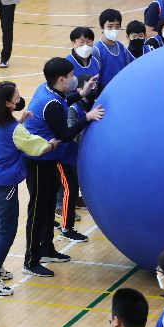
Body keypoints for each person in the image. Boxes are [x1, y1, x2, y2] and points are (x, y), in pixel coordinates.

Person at [23, 58, 103, 277]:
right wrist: (87, 117)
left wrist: (82, 93)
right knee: (38, 210)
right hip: (38, 162)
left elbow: (64, 101)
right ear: (61, 79)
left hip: (49, 159)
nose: (73, 78)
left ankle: (47, 248)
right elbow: (65, 134)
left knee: (49, 206)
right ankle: (30, 260)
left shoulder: (48, 89)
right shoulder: (51, 104)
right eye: (70, 76)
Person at [0, 81, 59, 295]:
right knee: (7, 230)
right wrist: (51, 144)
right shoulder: (14, 130)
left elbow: (6, 138)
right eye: (16, 96)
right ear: (7, 103)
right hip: (5, 185)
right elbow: (34, 146)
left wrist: (20, 121)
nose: (19, 99)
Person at [58, 76, 103, 242]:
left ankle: (62, 221)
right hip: (63, 157)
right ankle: (66, 228)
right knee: (69, 189)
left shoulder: (89, 105)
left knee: (73, 188)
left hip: (75, 157)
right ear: (79, 91)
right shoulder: (74, 109)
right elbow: (71, 133)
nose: (93, 91)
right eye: (89, 89)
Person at [93, 9, 130, 91]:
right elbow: (95, 77)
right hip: (104, 93)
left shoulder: (122, 48)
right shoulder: (96, 50)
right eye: (110, 26)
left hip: (121, 90)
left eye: (117, 27)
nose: (114, 30)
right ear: (102, 27)